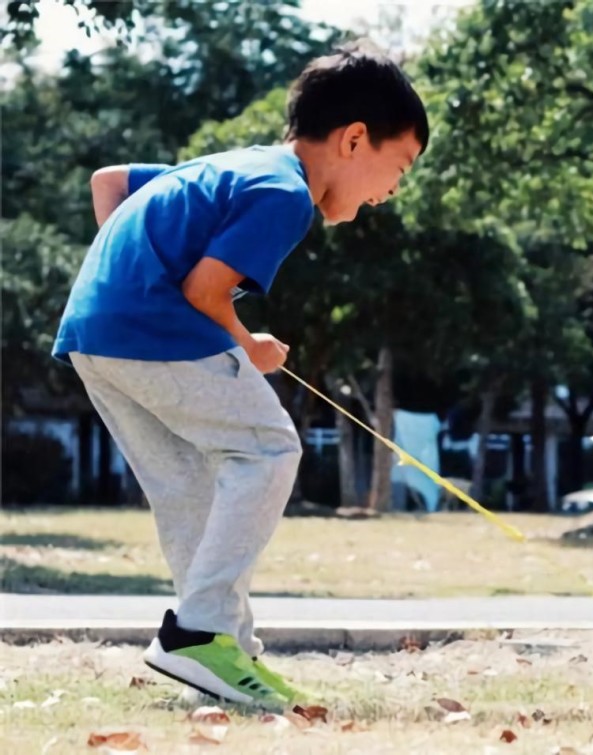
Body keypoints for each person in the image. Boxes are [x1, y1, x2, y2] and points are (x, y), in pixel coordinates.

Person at [52, 40, 429, 705]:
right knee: (269, 447)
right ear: (354, 139)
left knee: (189, 490)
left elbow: (108, 181)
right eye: (398, 168)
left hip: (93, 332)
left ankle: (224, 656)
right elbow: (204, 290)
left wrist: (124, 272)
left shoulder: (232, 166)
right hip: (151, 330)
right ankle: (198, 635)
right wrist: (245, 344)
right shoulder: (285, 193)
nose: (389, 194)